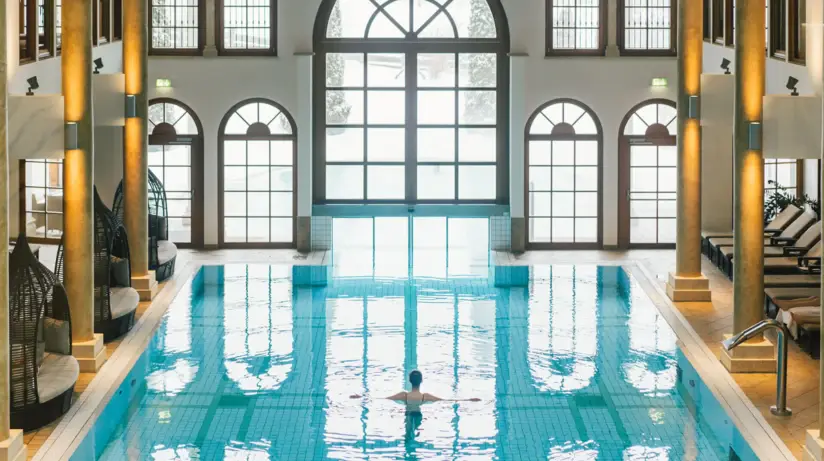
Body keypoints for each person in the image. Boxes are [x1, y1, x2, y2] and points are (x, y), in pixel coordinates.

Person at [349, 370, 481, 403]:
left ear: (409, 381)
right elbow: (446, 401)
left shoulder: (403, 395)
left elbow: (382, 399)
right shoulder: (426, 396)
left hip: (406, 413)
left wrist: (361, 396)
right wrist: (469, 400)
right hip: (419, 413)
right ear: (421, 381)